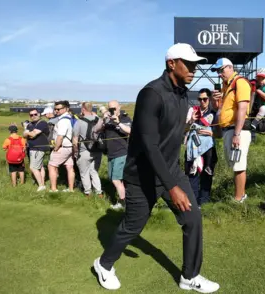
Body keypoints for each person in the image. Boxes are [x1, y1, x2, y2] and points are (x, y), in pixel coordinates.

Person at [92, 43, 220, 293]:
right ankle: (104, 264)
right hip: (142, 175)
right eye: (189, 64)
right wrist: (172, 187)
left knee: (193, 219)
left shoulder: (184, 94)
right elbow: (150, 145)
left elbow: (170, 135)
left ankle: (189, 276)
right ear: (172, 64)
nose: (194, 69)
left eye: (196, 64)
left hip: (171, 170)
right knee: (133, 226)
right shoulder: (151, 93)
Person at [211, 57, 252, 203]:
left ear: (230, 67)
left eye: (221, 70)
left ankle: (239, 198)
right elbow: (220, 109)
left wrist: (237, 133)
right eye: (217, 71)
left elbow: (242, 108)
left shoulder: (240, 82)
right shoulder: (227, 86)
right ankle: (240, 195)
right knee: (235, 163)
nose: (219, 74)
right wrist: (216, 101)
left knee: (239, 164)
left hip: (237, 130)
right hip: (229, 129)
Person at [184, 88, 218, 206]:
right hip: (193, 148)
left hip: (208, 148)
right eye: (200, 99)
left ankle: (204, 203)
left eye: (204, 99)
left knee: (207, 175)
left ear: (209, 99)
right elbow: (185, 128)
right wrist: (191, 120)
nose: (202, 102)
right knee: (192, 175)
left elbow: (219, 132)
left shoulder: (214, 113)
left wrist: (211, 133)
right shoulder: (192, 110)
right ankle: (192, 203)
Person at [102, 100, 132, 209]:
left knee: (116, 179)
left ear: (119, 107)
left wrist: (118, 122)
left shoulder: (125, 118)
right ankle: (125, 199)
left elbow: (130, 131)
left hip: (122, 152)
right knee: (113, 178)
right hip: (111, 153)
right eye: (110, 108)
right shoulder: (108, 119)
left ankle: (123, 203)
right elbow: (98, 130)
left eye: (114, 108)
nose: (112, 110)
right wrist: (104, 118)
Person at [72, 102, 104, 198]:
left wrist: (75, 152)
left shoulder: (79, 122)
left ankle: (88, 193)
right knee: (94, 172)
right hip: (97, 149)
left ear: (83, 109)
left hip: (84, 151)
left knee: (84, 173)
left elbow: (75, 139)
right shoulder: (98, 120)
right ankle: (99, 193)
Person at [48, 100, 75, 192]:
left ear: (66, 109)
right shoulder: (70, 118)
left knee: (52, 166)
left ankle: (53, 189)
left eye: (59, 109)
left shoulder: (63, 121)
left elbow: (60, 136)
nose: (56, 111)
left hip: (62, 147)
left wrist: (56, 148)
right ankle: (71, 189)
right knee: (70, 167)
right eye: (55, 109)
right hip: (70, 147)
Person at [23, 109, 50, 191]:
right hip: (33, 148)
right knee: (40, 167)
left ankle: (41, 185)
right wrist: (28, 133)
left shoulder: (42, 123)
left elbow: (33, 134)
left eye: (35, 114)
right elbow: (24, 134)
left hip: (38, 147)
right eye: (31, 115)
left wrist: (29, 133)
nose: (33, 116)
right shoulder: (30, 124)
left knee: (33, 167)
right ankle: (43, 183)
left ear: (39, 114)